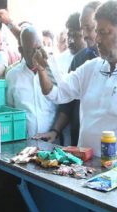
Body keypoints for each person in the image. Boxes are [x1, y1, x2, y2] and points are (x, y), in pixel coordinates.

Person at [34, 0, 117, 177]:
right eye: (96, 32)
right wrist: (42, 70)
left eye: (103, 32)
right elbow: (57, 93)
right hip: (84, 169)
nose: (97, 39)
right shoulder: (91, 68)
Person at [33, 1, 101, 146]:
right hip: (81, 144)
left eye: (90, 28)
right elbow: (61, 96)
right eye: (83, 29)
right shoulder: (82, 61)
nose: (86, 35)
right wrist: (55, 130)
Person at [6, 26, 57, 139]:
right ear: (21, 51)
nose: (36, 54)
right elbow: (10, 109)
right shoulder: (12, 76)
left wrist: (55, 131)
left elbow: (64, 105)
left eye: (39, 48)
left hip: (53, 142)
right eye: (31, 50)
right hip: (24, 144)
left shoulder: (55, 71)